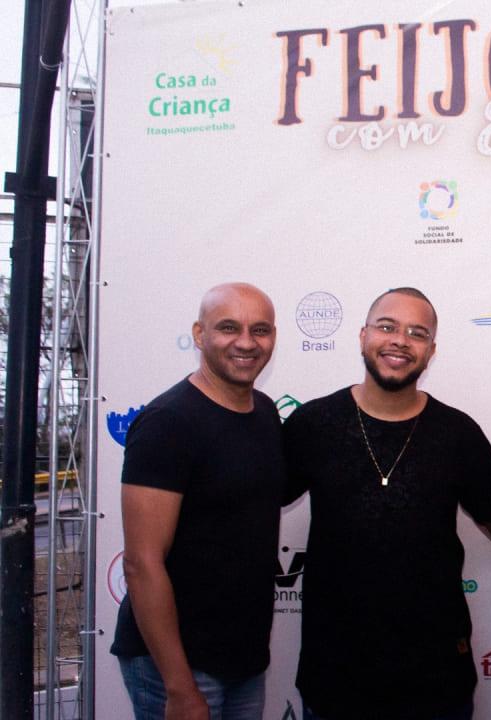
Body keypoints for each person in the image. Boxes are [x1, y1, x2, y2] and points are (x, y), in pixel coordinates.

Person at [282, 287, 491, 720]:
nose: (400, 340)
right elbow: (246, 505)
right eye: (387, 327)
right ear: (363, 336)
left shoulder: (458, 435)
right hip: (335, 682)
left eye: (417, 333)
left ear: (431, 351)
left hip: (436, 685)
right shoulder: (313, 425)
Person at [111, 282, 285, 720]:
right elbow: (142, 563)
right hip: (177, 666)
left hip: (242, 660)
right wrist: (179, 686)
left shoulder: (265, 412)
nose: (246, 342)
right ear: (199, 334)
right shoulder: (168, 423)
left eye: (260, 330)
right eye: (228, 328)